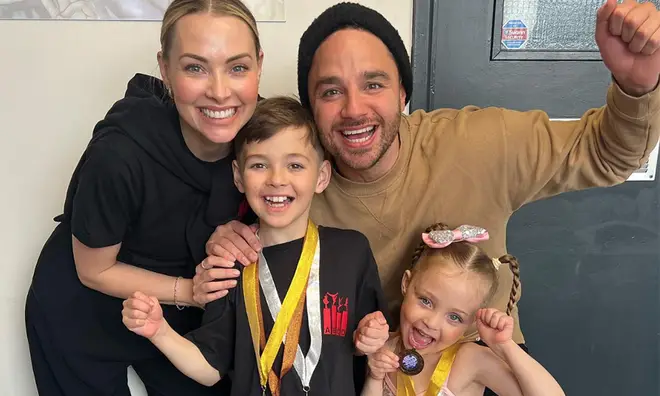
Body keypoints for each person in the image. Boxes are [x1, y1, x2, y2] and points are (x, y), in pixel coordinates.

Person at [193, 0, 660, 360]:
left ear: (403, 92)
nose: (354, 108)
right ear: (311, 109)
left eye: (373, 84)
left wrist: (637, 87)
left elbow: (607, 155)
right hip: (364, 373)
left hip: (478, 370)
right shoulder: (292, 183)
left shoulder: (480, 142)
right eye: (331, 91)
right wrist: (235, 239)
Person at [24, 0, 262, 394]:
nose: (220, 92)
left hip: (183, 317)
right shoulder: (119, 156)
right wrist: (190, 291)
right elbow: (93, 270)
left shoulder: (267, 139)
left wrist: (245, 231)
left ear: (259, 65)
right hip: (84, 309)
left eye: (238, 67)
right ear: (165, 70)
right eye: (195, 67)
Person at [122, 96, 389, 395]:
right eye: (260, 165)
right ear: (238, 176)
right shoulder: (228, 265)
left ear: (322, 176)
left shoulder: (351, 252)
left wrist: (372, 338)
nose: (277, 179)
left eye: (295, 165)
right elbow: (211, 369)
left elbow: (368, 343)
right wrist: (159, 331)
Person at [357, 223, 565, 396]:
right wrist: (375, 377)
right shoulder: (383, 347)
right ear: (406, 284)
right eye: (426, 301)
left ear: (472, 322)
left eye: (454, 317)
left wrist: (505, 347)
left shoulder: (471, 360)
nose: (432, 322)